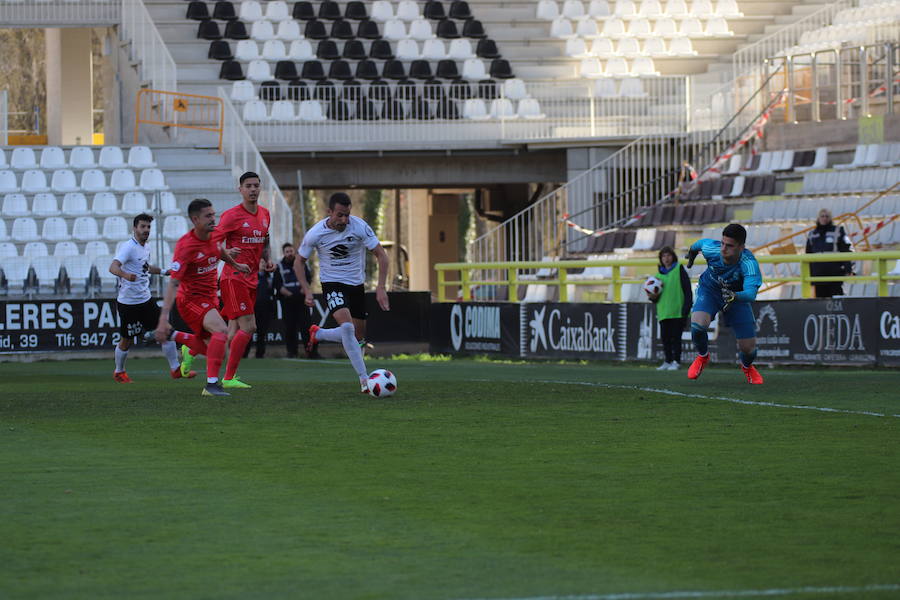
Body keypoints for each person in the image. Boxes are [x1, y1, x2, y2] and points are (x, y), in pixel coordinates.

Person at [182, 171, 274, 390]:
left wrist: (267, 259)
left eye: (256, 185)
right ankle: (228, 377)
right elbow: (212, 242)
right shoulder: (232, 216)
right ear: (240, 189)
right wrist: (229, 256)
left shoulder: (265, 214)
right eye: (248, 186)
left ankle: (192, 348)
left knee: (231, 332)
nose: (253, 189)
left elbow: (265, 239)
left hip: (251, 278)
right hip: (234, 279)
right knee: (249, 327)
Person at [294, 192, 390, 392]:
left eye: (347, 215)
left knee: (358, 337)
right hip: (332, 284)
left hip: (356, 286)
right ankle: (365, 380)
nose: (344, 220)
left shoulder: (360, 227)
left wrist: (381, 287)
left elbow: (382, 255)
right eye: (340, 215)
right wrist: (306, 290)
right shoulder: (315, 233)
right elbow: (299, 262)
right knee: (347, 329)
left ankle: (318, 334)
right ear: (329, 212)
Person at [155, 198, 233, 397]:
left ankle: (177, 336)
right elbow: (173, 282)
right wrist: (163, 318)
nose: (213, 219)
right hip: (190, 300)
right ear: (195, 219)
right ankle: (212, 385)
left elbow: (219, 250)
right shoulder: (185, 246)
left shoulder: (215, 235)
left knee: (220, 350)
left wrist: (236, 264)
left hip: (210, 298)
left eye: (213, 214)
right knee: (222, 330)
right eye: (208, 216)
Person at [108, 213, 196, 383]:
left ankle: (175, 369)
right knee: (127, 340)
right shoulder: (128, 247)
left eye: (148, 227)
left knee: (166, 330)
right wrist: (125, 275)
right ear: (134, 228)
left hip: (146, 300)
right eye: (142, 226)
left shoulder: (145, 247)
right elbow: (113, 267)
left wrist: (164, 272)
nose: (146, 230)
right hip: (129, 303)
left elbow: (145, 267)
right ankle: (119, 372)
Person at [684, 223, 764, 385]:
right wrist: (691, 255)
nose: (723, 249)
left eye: (729, 245)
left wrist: (735, 296)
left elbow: (751, 293)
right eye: (722, 243)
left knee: (749, 348)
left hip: (736, 297)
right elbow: (697, 245)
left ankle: (747, 367)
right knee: (698, 325)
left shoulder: (749, 263)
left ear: (741, 247)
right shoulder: (712, 249)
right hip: (710, 290)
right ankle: (703, 356)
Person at [645, 245, 692, 371]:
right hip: (664, 312)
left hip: (678, 311)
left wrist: (686, 307)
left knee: (676, 338)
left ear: (673, 257)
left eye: (668, 255)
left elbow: (687, 290)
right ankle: (667, 360)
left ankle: (676, 361)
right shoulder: (657, 276)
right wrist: (651, 296)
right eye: (663, 256)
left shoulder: (679, 269)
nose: (666, 258)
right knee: (665, 338)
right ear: (661, 258)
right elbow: (654, 298)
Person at [273, 242, 315, 358]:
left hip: (302, 300)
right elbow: (277, 285)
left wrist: (304, 290)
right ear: (284, 253)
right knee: (290, 328)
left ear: (294, 252)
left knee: (306, 327)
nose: (289, 254)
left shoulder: (301, 264)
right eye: (287, 252)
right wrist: (290, 294)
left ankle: (311, 352)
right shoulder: (279, 266)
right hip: (288, 301)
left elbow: (308, 278)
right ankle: (292, 352)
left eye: (291, 251)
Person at [805, 207, 854, 298]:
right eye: (822, 216)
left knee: (837, 300)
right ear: (818, 218)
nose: (824, 218)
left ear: (830, 218)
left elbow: (846, 249)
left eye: (827, 216)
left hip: (834, 273)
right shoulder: (812, 234)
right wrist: (810, 276)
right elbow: (808, 255)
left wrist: (848, 268)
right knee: (821, 301)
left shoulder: (838, 231)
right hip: (818, 274)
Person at [247, 258, 277, 359]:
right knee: (249, 332)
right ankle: (244, 354)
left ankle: (260, 354)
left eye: (264, 263)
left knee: (262, 333)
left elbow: (273, 293)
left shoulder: (269, 277)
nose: (263, 265)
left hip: (265, 309)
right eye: (261, 262)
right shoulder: (252, 277)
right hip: (253, 310)